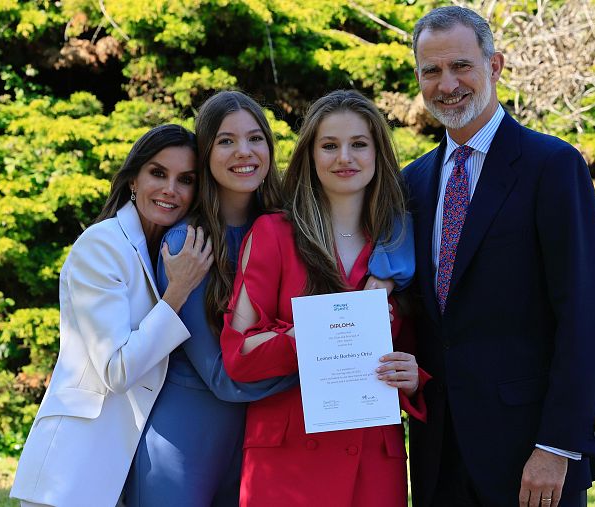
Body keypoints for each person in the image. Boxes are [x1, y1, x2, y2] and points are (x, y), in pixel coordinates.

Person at [125, 91, 415, 506]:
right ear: (205, 153)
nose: (243, 151)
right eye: (225, 141)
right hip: (195, 430)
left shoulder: (281, 218)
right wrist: (338, 348)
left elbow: (392, 228)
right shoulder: (191, 244)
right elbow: (226, 375)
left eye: (255, 138)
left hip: (272, 433)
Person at [402, 6, 595, 507]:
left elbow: (585, 318)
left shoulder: (552, 167)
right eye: (430, 71)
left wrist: (555, 446)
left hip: (530, 458)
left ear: (494, 66)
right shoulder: (412, 182)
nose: (446, 83)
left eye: (461, 66)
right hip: (439, 457)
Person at [220, 90, 428, 507]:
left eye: (358, 144)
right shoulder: (273, 234)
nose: (344, 158)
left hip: (373, 461)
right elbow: (238, 353)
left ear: (378, 154)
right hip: (286, 463)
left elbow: (417, 352)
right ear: (311, 156)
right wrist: (314, 336)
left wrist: (411, 375)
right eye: (330, 146)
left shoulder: (402, 243)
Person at [9, 124, 213, 507]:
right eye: (158, 173)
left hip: (126, 470)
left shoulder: (163, 251)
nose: (171, 189)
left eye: (185, 180)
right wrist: (178, 292)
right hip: (73, 472)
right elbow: (116, 369)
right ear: (133, 180)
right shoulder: (101, 245)